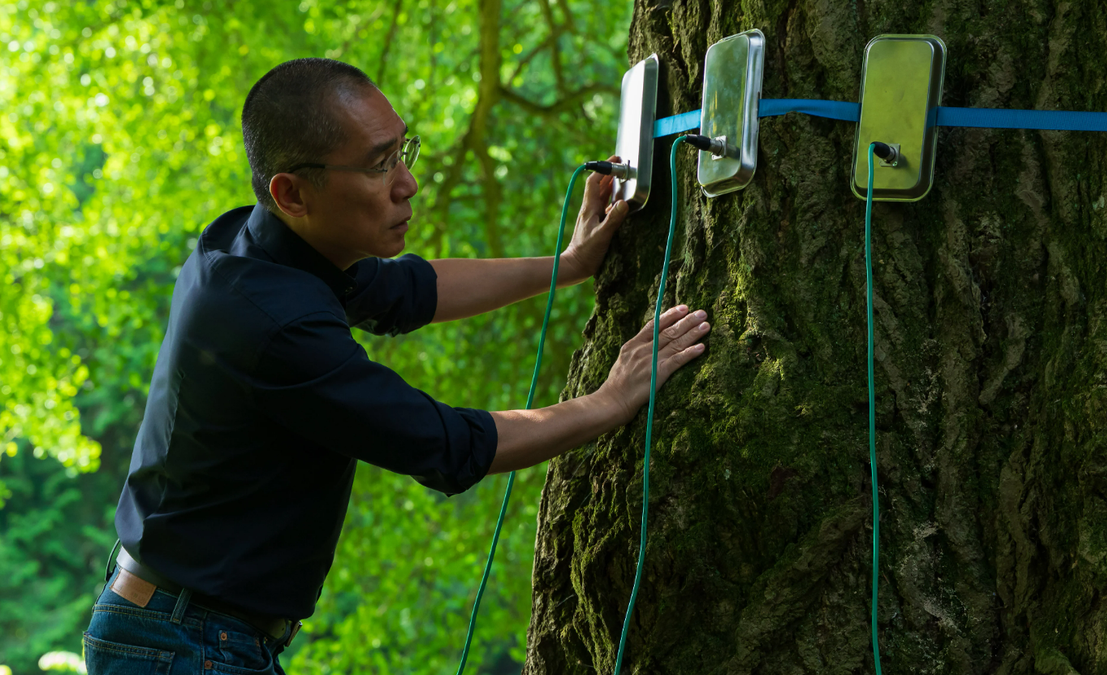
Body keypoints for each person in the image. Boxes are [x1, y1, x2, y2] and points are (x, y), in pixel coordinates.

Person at [82, 58, 708, 673]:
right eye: (380, 165)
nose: (407, 183)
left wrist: (567, 266)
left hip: (184, 629)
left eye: (402, 150)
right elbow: (443, 442)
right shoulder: (272, 324)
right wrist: (611, 400)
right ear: (292, 192)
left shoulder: (258, 247)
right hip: (183, 645)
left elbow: (409, 291)